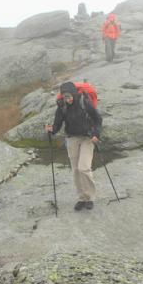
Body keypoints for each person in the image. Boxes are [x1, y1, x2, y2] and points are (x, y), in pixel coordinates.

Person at [45, 82, 103, 210]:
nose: (68, 99)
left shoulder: (84, 102)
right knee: (76, 170)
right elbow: (57, 125)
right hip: (72, 138)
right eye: (65, 97)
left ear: (74, 94)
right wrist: (51, 130)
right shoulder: (62, 107)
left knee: (84, 168)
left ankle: (90, 197)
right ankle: (82, 198)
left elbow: (98, 119)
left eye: (69, 96)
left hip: (87, 138)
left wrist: (96, 134)